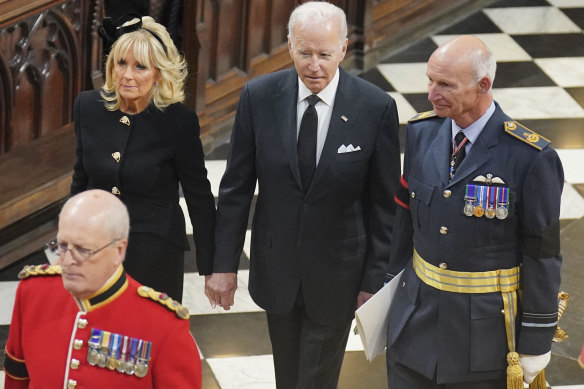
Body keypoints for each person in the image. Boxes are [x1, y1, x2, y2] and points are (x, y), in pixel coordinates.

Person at [205, 2, 400, 388]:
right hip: (277, 270)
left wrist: (374, 283)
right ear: (289, 45)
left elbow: (385, 207)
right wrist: (223, 266)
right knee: (288, 375)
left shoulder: (375, 108)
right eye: (305, 53)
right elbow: (235, 189)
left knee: (314, 379)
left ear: (343, 48)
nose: (314, 66)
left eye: (325, 55)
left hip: (339, 276)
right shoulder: (258, 97)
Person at [385, 35, 563, 388]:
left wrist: (536, 341)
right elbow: (406, 220)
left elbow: (542, 255)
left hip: (484, 341)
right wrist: (388, 294)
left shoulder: (530, 158)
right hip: (414, 326)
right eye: (430, 80)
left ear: (483, 85)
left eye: (445, 85)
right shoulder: (422, 132)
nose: (431, 93)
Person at [72, 15, 216, 302]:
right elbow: (80, 180)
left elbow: (199, 197)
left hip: (154, 255)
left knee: (147, 342)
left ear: (159, 73)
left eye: (140, 67)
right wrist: (68, 244)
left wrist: (214, 268)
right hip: (96, 251)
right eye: (121, 63)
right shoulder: (88, 107)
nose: (127, 74)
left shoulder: (178, 122)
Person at [3, 189, 201, 388]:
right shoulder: (34, 292)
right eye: (62, 245)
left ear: (119, 251)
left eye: (82, 250)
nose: (67, 261)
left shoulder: (164, 326)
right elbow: (17, 376)